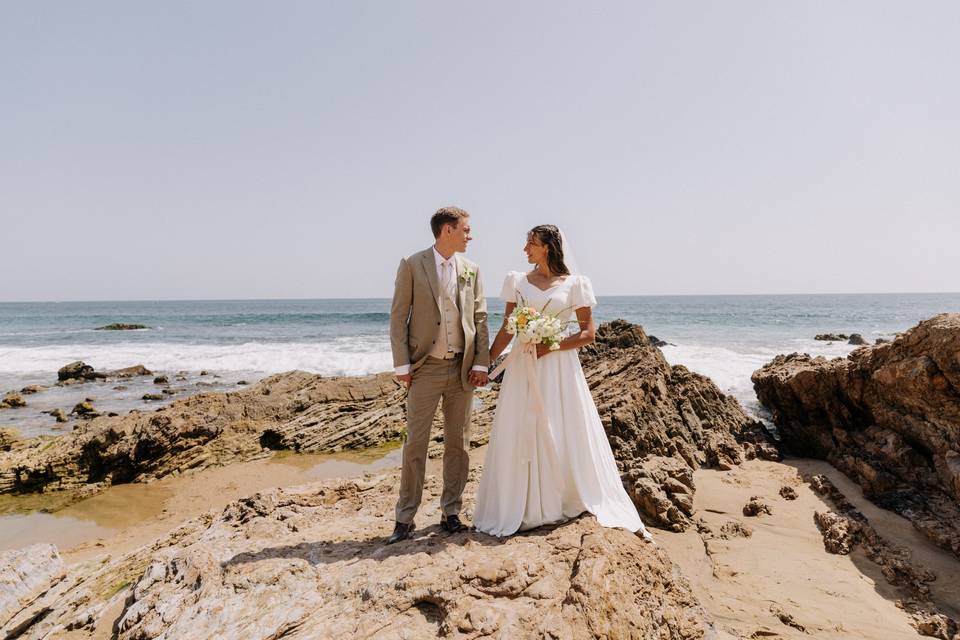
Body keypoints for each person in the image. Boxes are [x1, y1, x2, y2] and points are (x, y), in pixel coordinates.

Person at [473, 224, 653, 542]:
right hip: (523, 366)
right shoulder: (516, 281)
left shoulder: (575, 285)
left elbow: (587, 333)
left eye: (531, 243)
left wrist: (549, 346)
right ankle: (523, 501)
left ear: (548, 247)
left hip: (558, 367)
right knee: (519, 425)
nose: (525, 250)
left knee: (560, 424)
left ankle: (561, 497)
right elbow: (507, 329)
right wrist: (485, 363)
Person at [387, 206, 491, 544]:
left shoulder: (471, 270)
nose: (470, 236)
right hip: (425, 369)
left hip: (462, 369)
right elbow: (399, 316)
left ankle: (451, 512)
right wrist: (402, 365)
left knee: (458, 444)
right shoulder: (412, 264)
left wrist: (480, 362)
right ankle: (405, 518)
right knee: (415, 443)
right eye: (466, 230)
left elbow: (480, 318)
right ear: (447, 230)